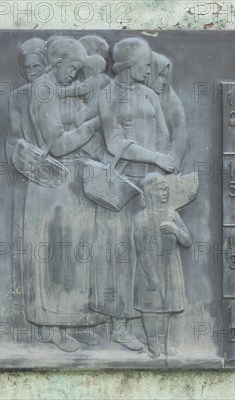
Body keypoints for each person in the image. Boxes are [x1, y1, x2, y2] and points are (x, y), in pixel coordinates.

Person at [90, 37, 175, 351]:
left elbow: (164, 133)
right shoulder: (107, 95)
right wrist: (154, 158)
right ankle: (119, 325)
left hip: (151, 185)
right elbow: (114, 141)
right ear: (128, 64)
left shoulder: (150, 94)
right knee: (120, 255)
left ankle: (150, 321)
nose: (149, 69)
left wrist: (161, 166)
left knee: (150, 253)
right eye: (144, 63)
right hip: (122, 187)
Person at [22, 36, 105, 352]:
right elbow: (56, 144)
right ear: (58, 63)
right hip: (53, 185)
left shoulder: (64, 88)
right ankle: (51, 326)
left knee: (78, 255)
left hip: (76, 183)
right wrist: (93, 126)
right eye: (72, 67)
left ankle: (75, 320)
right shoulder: (43, 88)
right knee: (55, 256)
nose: (75, 74)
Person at [6, 38, 47, 314]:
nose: (32, 72)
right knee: (31, 246)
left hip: (64, 182)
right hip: (30, 179)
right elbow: (12, 139)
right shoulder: (17, 98)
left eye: (37, 66)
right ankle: (30, 309)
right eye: (27, 68)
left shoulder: (65, 93)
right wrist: (26, 156)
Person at [133, 173, 192, 358]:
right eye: (160, 189)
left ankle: (163, 341)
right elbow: (141, 250)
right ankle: (152, 343)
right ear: (150, 193)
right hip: (149, 266)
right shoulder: (141, 218)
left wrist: (175, 230)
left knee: (166, 305)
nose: (165, 192)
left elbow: (187, 241)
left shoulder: (172, 214)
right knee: (150, 306)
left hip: (170, 265)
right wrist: (150, 275)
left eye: (166, 188)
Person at [144, 52, 188, 173]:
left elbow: (179, 139)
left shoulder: (173, 103)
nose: (163, 82)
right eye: (160, 75)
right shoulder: (133, 95)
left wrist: (169, 171)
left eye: (165, 77)